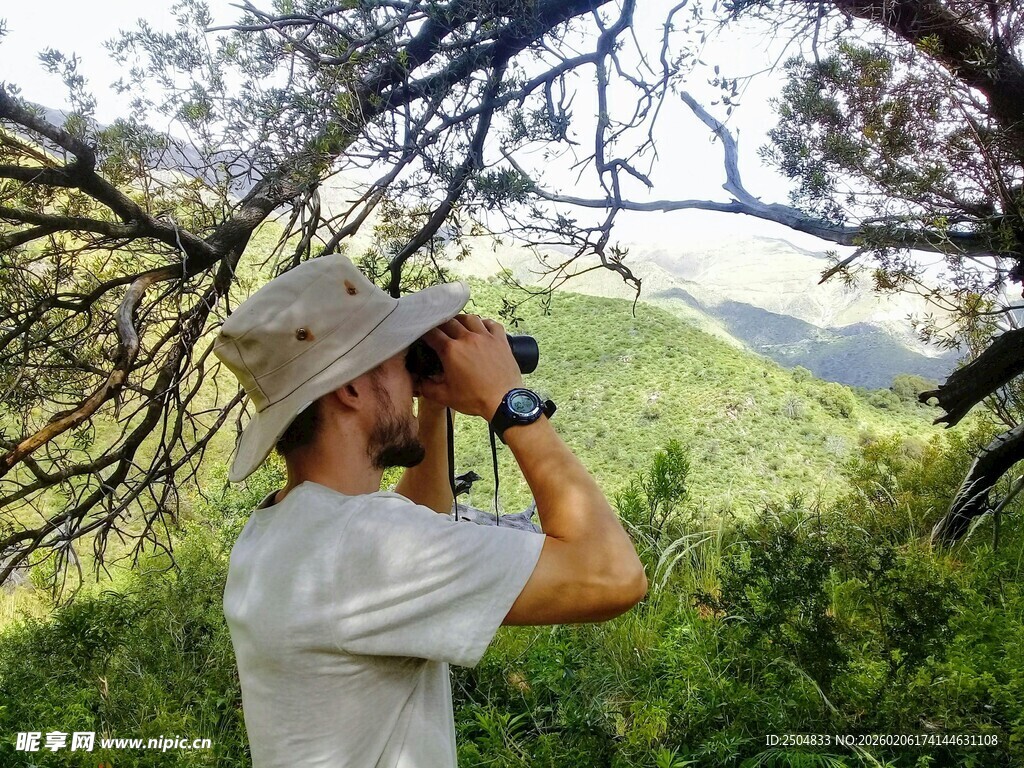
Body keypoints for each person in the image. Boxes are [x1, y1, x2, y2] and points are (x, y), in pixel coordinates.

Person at [213, 254, 647, 768]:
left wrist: (433, 405)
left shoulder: (279, 529)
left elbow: (417, 519)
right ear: (350, 388)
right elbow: (612, 576)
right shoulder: (360, 545)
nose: (413, 375)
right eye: (401, 359)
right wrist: (508, 399)